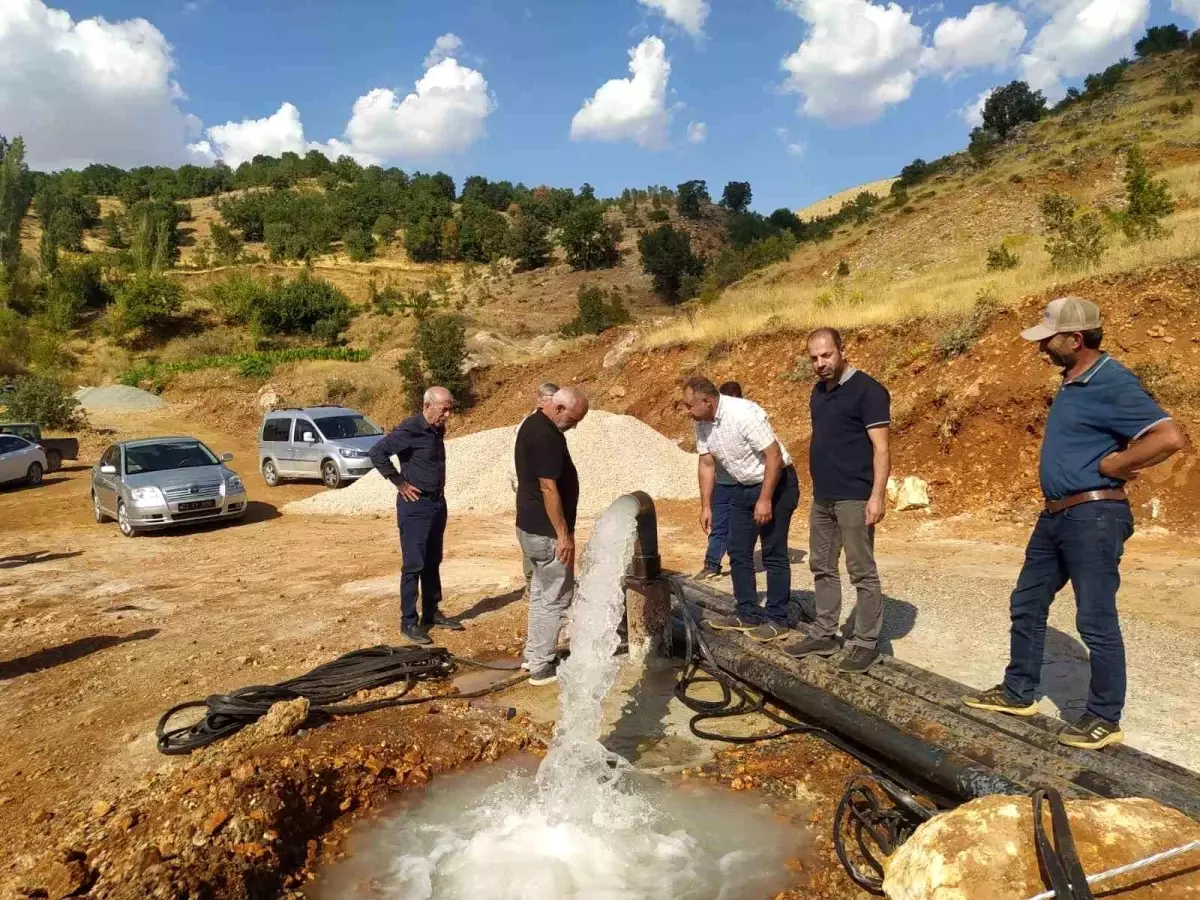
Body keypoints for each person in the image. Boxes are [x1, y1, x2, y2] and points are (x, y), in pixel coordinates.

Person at [963, 297, 1186, 750]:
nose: (1042, 347)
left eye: (1049, 339)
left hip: (1094, 515)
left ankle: (1105, 717)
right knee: (1026, 601)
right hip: (1057, 515)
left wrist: (1117, 463)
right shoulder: (1073, 382)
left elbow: (1170, 436)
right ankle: (1018, 691)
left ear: (1076, 339)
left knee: (1095, 618)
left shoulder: (1112, 381)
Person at [785, 329, 891, 674]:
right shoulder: (818, 393)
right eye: (814, 358)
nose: (820, 363)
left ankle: (865, 643)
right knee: (822, 566)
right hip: (824, 497)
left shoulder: (869, 391)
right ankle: (825, 632)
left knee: (861, 571)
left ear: (842, 351)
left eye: (826, 355)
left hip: (855, 497)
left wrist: (877, 496)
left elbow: (882, 449)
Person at [682, 376, 800, 642]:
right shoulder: (703, 424)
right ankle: (747, 612)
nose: (686, 411)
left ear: (707, 401)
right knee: (738, 551)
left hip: (776, 483)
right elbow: (707, 464)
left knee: (773, 553)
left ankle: (778, 618)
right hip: (742, 486)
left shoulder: (743, 413)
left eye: (689, 405)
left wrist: (765, 499)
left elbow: (773, 456)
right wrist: (706, 506)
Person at [369, 386, 464, 645]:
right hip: (415, 507)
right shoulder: (410, 429)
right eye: (443, 409)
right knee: (414, 564)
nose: (447, 414)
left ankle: (431, 613)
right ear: (427, 405)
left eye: (449, 409)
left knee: (433, 560)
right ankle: (409, 622)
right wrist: (399, 482)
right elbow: (377, 453)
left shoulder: (436, 429)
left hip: (437, 504)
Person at [514, 386, 590, 685]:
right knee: (555, 599)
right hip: (546, 534)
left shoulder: (532, 423)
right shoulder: (546, 436)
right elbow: (548, 488)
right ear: (558, 408)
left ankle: (534, 655)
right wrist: (563, 535)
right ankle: (542, 667)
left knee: (539, 595)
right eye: (573, 418)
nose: (574, 425)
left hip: (529, 528)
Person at [509, 382, 560, 597]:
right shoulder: (532, 427)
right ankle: (534, 584)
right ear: (539, 400)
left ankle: (538, 584)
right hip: (531, 489)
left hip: (531, 488)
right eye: (552, 400)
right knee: (535, 534)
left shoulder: (545, 426)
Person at [694, 381, 745, 581]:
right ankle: (712, 564)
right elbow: (706, 462)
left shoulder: (745, 418)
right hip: (723, 483)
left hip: (746, 484)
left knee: (740, 528)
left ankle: (740, 563)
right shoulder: (708, 423)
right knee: (718, 525)